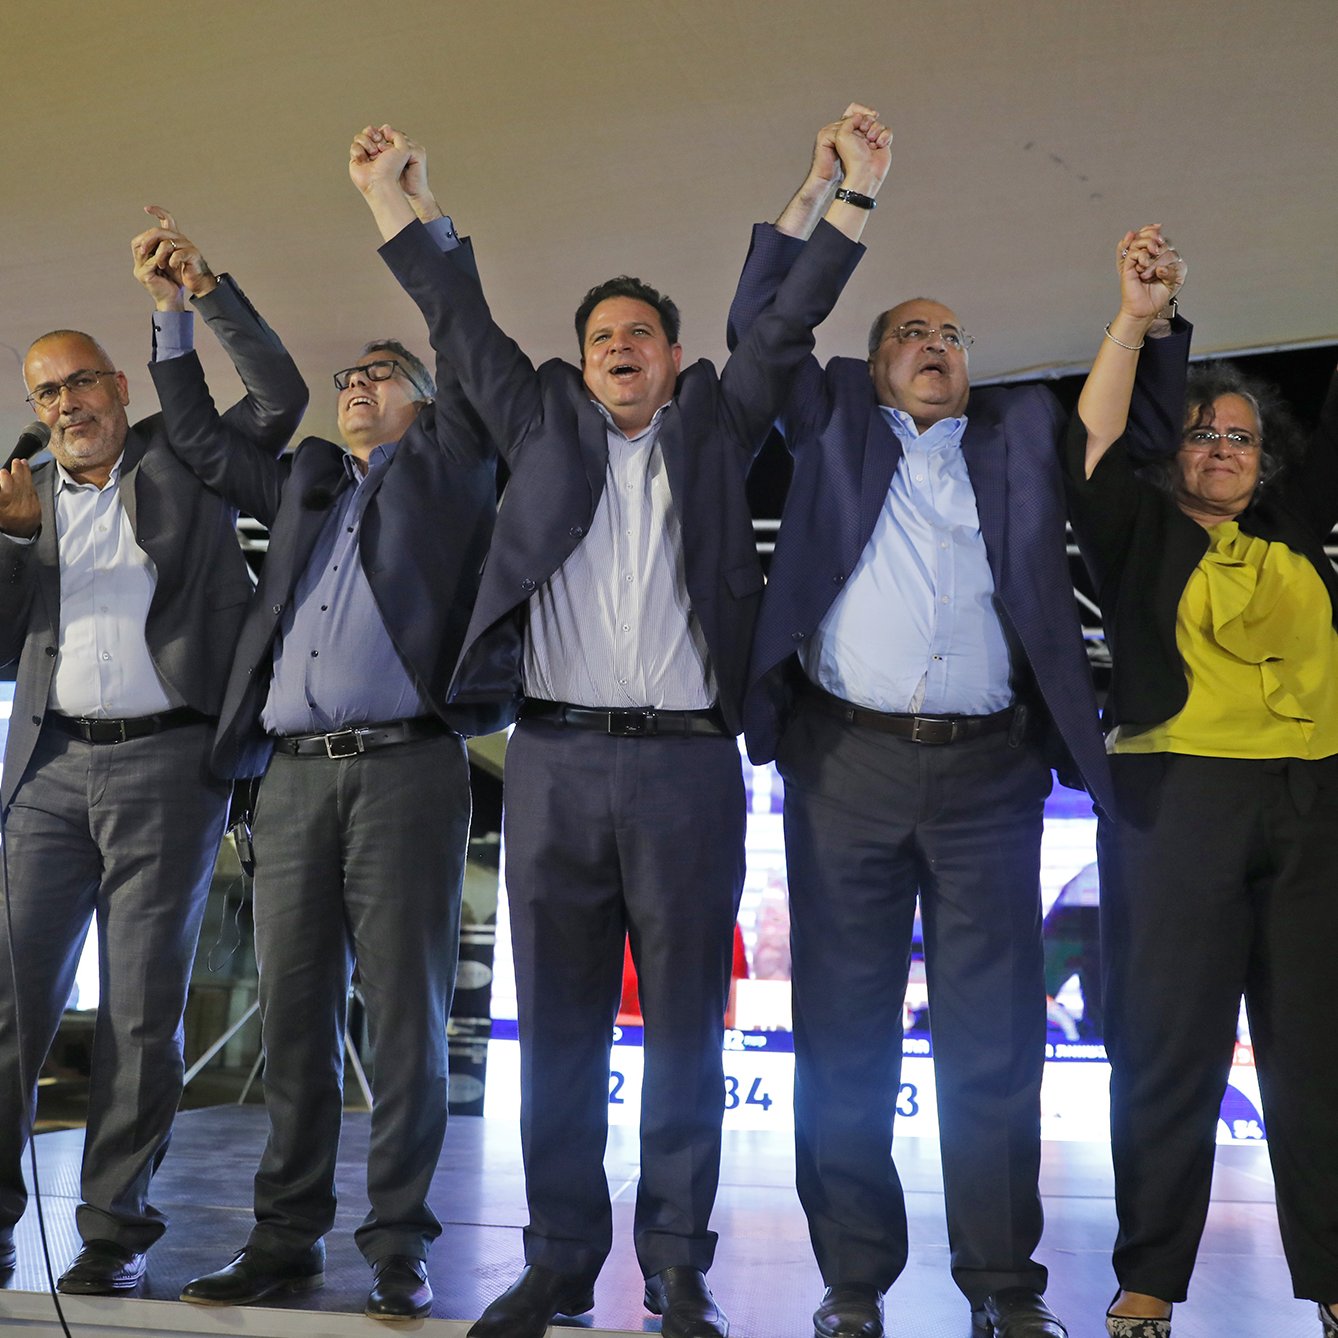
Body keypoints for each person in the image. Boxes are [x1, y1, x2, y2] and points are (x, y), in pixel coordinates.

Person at [356, 108, 886, 1338]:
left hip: (689, 771)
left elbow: (786, 324)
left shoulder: (714, 422)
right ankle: (556, 1263)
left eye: (640, 333)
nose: (619, 348)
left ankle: (676, 1266)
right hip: (552, 759)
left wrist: (847, 196)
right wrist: (400, 202)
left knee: (689, 1029)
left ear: (673, 353)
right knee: (560, 1031)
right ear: (581, 360)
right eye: (600, 337)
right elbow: (460, 328)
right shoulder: (537, 419)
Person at [725, 125, 1190, 1338]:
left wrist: (1134, 318)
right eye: (909, 337)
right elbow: (765, 330)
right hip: (846, 764)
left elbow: (1109, 429)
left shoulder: (1016, 436)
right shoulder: (828, 421)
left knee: (996, 1044)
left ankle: (1001, 1288)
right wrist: (834, 194)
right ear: (875, 367)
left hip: (989, 774)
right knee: (844, 1037)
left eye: (950, 337)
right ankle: (853, 1282)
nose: (934, 350)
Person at [159, 130, 500, 1322]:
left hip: (408, 768)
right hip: (293, 782)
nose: (357, 385)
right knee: (293, 1026)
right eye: (349, 375)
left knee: (402, 1025)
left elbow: (463, 342)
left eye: (381, 372)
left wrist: (414, 213)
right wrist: (185, 311)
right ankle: (283, 1240)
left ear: (425, 400)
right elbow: (203, 443)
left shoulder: (455, 469)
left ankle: (397, 1246)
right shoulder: (309, 480)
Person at [0, 237, 306, 1294]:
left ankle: (110, 1238)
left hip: (169, 764)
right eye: (47, 390)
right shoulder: (20, 489)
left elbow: (279, 395)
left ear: (120, 384)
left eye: (82, 379)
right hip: (44, 774)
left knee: (140, 1015)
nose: (65, 402)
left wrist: (196, 302)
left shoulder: (185, 453)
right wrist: (7, 542)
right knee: (9, 1007)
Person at [1068, 228, 1338, 1338]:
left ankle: (1332, 1281)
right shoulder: (1135, 531)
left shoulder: (1292, 535)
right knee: (1172, 1048)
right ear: (1171, 451)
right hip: (1176, 802)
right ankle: (1147, 1283)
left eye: (1240, 438)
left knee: (1318, 1054)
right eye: (1201, 434)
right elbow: (1094, 434)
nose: (1222, 449)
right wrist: (1140, 319)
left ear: (1263, 458)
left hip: (1312, 805)